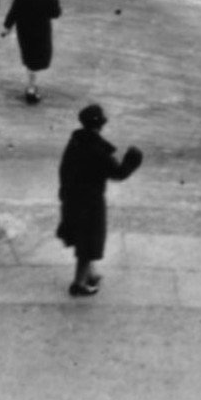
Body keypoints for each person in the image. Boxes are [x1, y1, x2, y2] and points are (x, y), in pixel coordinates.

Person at [56, 104, 143, 296]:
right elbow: (118, 173)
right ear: (100, 125)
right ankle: (79, 284)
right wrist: (132, 160)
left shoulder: (75, 141)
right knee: (88, 241)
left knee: (82, 237)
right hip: (90, 201)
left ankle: (91, 273)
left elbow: (64, 168)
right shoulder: (98, 150)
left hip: (72, 198)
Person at [1, 0, 62, 104]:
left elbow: (14, 11)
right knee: (39, 57)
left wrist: (7, 27)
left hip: (25, 28)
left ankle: (31, 86)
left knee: (29, 57)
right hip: (41, 28)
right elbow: (56, 14)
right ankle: (32, 88)